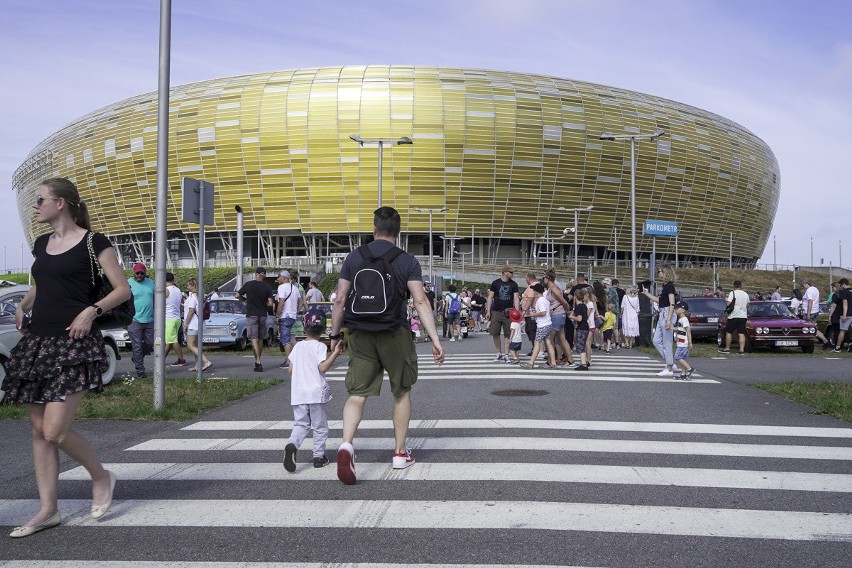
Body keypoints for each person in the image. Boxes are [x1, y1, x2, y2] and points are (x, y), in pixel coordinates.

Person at [2, 177, 131, 537]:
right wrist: (23, 305)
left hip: (74, 342)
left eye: (40, 199)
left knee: (55, 430)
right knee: (38, 431)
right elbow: (44, 281)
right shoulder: (43, 243)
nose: (35, 205)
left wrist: (91, 311)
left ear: (61, 203)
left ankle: (102, 476)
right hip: (38, 340)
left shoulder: (94, 242)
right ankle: (48, 510)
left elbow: (121, 289)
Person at [329, 206, 444, 486]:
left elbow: (340, 299)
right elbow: (420, 301)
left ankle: (346, 445)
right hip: (395, 332)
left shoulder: (355, 257)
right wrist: (435, 339)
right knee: (401, 392)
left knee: (357, 394)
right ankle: (399, 453)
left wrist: (334, 335)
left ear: (374, 228)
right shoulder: (406, 260)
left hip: (360, 334)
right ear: (399, 232)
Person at [283, 313, 343, 472]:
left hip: (299, 393)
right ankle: (318, 457)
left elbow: (290, 371)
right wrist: (335, 354)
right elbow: (322, 367)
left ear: (304, 327)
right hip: (316, 393)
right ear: (323, 329)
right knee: (320, 426)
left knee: (301, 424)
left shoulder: (298, 347)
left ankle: (292, 444)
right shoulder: (320, 346)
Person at [642, 264, 678, 376]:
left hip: (667, 313)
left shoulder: (670, 286)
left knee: (667, 342)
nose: (659, 273)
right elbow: (659, 300)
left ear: (666, 272)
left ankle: (669, 368)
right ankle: (670, 361)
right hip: (663, 312)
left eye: (660, 271)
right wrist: (647, 294)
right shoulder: (665, 286)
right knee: (656, 340)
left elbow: (672, 303)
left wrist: (668, 319)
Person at [237, 267, 274, 372]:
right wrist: (263, 303)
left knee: (253, 338)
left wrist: (245, 299)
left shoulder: (249, 284)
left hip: (251, 314)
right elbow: (270, 303)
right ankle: (259, 360)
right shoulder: (267, 287)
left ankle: (258, 361)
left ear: (256, 274)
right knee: (261, 338)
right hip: (263, 315)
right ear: (264, 276)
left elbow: (237, 295)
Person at [126, 261, 155, 378]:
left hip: (149, 319)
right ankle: (140, 371)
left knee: (149, 344)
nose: (139, 275)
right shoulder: (128, 283)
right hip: (134, 320)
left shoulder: (150, 283)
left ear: (145, 273)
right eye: (137, 273)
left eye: (142, 273)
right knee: (137, 346)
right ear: (133, 273)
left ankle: (136, 358)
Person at [486, 266, 520, 361]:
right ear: (505, 272)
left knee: (508, 334)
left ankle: (506, 354)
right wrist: (488, 311)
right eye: (510, 272)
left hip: (508, 311)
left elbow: (516, 298)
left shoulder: (514, 284)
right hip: (496, 311)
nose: (512, 274)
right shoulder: (495, 283)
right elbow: (490, 297)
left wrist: (517, 311)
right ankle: (498, 352)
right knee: (495, 333)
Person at [521, 283, 556, 369]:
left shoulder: (540, 301)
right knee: (548, 343)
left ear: (536, 291)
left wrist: (533, 314)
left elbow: (543, 313)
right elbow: (549, 312)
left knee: (537, 343)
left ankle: (531, 362)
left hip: (542, 325)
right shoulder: (546, 300)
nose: (533, 292)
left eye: (533, 290)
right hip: (548, 324)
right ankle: (553, 362)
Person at [542, 269, 573, 365]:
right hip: (558, 314)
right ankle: (570, 359)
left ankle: (550, 361)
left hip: (557, 314)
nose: (543, 279)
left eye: (544, 277)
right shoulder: (551, 288)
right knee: (561, 338)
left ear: (548, 278)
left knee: (549, 338)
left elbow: (563, 301)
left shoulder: (554, 288)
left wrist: (568, 310)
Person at [183, 278, 212, 372]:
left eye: (188, 285)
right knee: (196, 345)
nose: (187, 287)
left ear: (192, 286)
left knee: (190, 345)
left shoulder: (192, 297)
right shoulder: (201, 296)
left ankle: (206, 361)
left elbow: (191, 311)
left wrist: (185, 324)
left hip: (193, 324)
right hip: (200, 324)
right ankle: (197, 365)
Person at [276, 270, 302, 369]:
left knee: (286, 340)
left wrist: (277, 315)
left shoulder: (281, 287)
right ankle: (291, 359)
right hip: (292, 316)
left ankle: (288, 361)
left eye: (279, 276)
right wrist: (296, 311)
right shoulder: (295, 288)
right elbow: (300, 302)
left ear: (284, 277)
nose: (278, 279)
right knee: (289, 338)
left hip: (285, 316)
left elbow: (281, 302)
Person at [719, 280, 749, 355]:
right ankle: (741, 350)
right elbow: (748, 304)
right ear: (741, 285)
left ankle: (727, 349)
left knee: (729, 332)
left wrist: (724, 299)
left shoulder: (732, 293)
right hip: (743, 316)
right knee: (741, 333)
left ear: (734, 285)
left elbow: (728, 304)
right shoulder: (745, 294)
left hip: (734, 315)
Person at [164, 272, 187, 367]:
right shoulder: (178, 290)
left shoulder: (165, 290)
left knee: (172, 340)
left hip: (169, 318)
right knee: (170, 340)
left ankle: (181, 359)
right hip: (177, 318)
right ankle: (161, 358)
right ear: (173, 280)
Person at [801, 280, 830, 347]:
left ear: (805, 284)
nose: (803, 288)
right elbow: (817, 300)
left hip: (810, 312)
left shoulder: (809, 291)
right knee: (813, 328)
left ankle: (807, 343)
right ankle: (825, 341)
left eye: (802, 286)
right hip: (816, 310)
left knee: (807, 329)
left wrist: (808, 313)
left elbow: (810, 301)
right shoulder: (815, 289)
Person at [569, 287, 590, 371]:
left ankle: (583, 364)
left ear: (575, 297)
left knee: (580, 346)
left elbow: (579, 319)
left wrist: (571, 317)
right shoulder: (584, 306)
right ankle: (585, 361)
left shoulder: (578, 307)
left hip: (581, 328)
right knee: (583, 345)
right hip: (586, 327)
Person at [673, 301, 695, 380]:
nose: (675, 310)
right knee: (683, 359)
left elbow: (688, 331)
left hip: (684, 343)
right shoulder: (681, 319)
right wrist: (674, 332)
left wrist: (690, 342)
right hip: (680, 342)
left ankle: (690, 369)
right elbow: (680, 330)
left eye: (676, 308)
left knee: (678, 357)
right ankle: (683, 374)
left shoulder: (684, 319)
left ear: (682, 310)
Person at [520, 272, 539, 355]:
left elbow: (530, 298)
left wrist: (524, 309)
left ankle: (535, 349)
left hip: (531, 312)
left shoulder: (533, 286)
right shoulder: (534, 285)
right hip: (529, 313)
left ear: (528, 278)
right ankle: (533, 347)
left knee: (532, 331)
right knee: (528, 330)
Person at [832, 278, 850, 352]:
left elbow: (845, 303)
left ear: (843, 284)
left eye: (841, 285)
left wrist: (844, 315)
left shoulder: (843, 292)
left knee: (842, 331)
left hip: (848, 314)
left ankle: (838, 347)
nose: (841, 286)